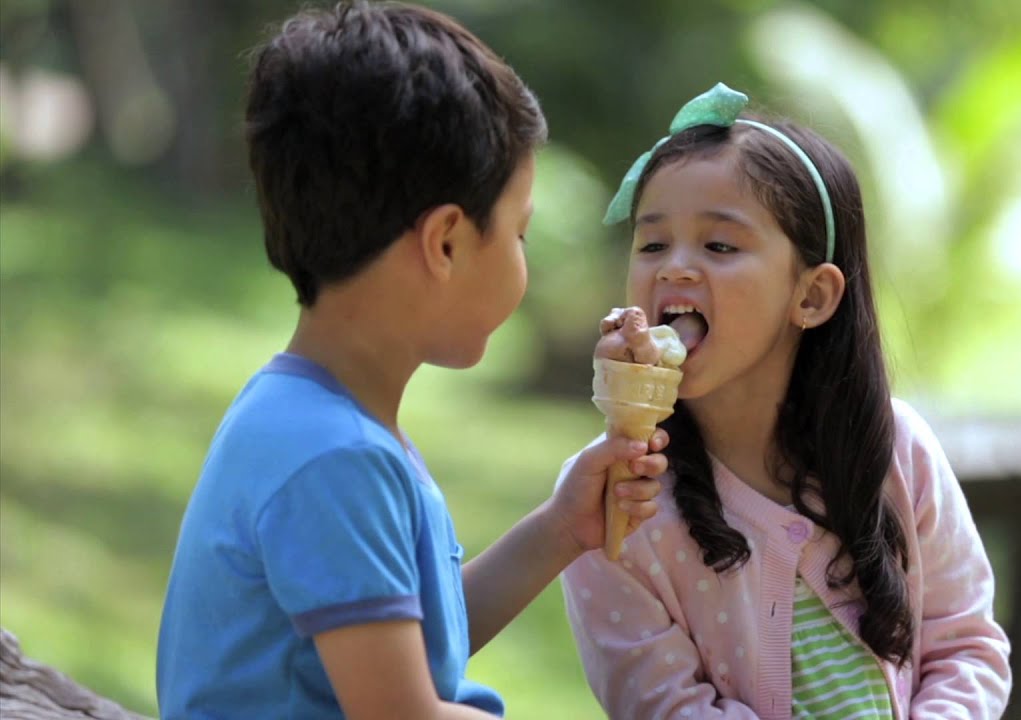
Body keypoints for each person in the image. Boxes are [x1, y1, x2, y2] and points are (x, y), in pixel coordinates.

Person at [155, 3, 668, 718]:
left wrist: (560, 530)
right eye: (519, 231)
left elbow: (413, 649)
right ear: (447, 243)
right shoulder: (335, 457)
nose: (524, 259)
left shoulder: (306, 417)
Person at [560, 83, 1012, 719]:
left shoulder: (895, 451)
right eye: (653, 243)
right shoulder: (618, 504)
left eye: (719, 246)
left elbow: (965, 645)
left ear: (812, 298)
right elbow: (662, 705)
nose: (675, 268)